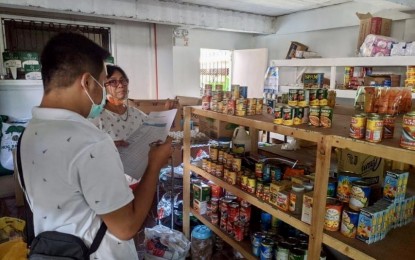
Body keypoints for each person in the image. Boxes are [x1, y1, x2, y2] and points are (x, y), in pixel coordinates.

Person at [18, 32, 172, 259]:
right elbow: (126, 227)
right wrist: (155, 164)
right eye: (103, 83)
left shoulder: (29, 133)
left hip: (53, 252)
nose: (104, 91)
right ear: (87, 82)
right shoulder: (91, 141)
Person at [92, 64, 147, 149]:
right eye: (113, 82)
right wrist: (108, 146)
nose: (121, 85)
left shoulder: (137, 115)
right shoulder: (97, 118)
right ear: (103, 86)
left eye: (123, 80)